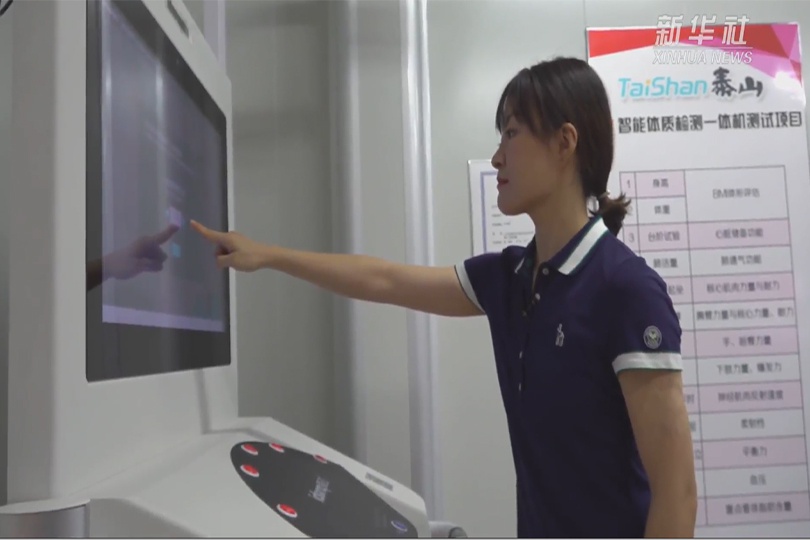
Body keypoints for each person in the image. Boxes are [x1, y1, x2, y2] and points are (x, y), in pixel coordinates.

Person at [191, 56, 697, 538]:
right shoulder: (510, 279)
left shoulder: (625, 289)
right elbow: (384, 280)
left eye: (512, 132)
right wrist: (268, 255)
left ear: (565, 143)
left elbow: (676, 494)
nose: (498, 156)